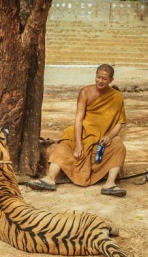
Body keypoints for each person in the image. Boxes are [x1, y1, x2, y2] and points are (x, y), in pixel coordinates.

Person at [27, 64, 127, 197]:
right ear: (95, 76)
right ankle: (50, 178)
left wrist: (109, 136)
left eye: (104, 79)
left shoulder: (117, 96)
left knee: (119, 145)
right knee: (64, 146)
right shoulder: (85, 92)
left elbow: (119, 122)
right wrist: (79, 144)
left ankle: (110, 183)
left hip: (102, 135)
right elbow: (78, 119)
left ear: (111, 80)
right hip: (83, 131)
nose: (100, 81)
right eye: (98, 77)